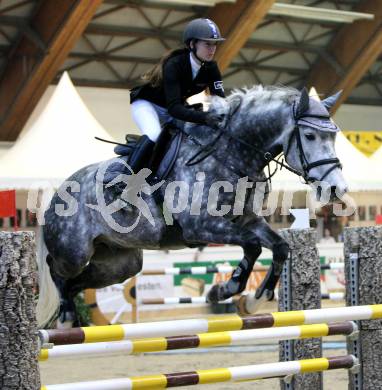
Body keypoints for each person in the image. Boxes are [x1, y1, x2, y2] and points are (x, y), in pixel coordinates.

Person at [127, 18, 226, 173]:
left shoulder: (211, 68)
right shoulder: (174, 64)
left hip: (175, 109)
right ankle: (128, 180)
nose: (212, 49)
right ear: (192, 44)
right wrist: (204, 118)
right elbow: (174, 108)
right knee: (154, 135)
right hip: (148, 105)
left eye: (214, 44)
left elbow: (220, 101)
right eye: (207, 44)